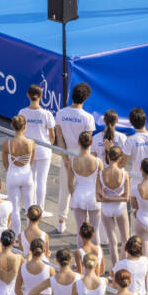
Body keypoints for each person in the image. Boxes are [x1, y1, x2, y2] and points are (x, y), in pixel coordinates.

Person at [53, 83, 94, 235]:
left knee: (64, 188)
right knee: (84, 186)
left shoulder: (61, 113)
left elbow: (60, 138)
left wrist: (64, 157)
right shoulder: (88, 118)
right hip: (82, 153)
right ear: (85, 99)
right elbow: (87, 141)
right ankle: (86, 221)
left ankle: (61, 222)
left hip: (67, 151)